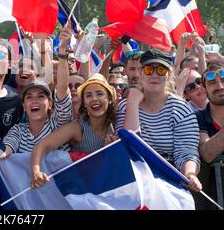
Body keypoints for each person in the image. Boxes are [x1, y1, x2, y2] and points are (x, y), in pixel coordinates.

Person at [117, 49, 202, 192]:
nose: (155, 75)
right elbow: (128, 147)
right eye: (149, 69)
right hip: (133, 179)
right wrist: (132, 102)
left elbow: (187, 152)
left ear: (168, 75)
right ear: (141, 73)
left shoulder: (181, 109)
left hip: (169, 180)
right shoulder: (125, 106)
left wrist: (190, 174)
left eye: (161, 70)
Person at [30, 73, 117, 188]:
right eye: (89, 95)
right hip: (83, 190)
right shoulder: (77, 128)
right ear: (84, 103)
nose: (94, 99)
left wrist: (109, 151)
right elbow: (42, 145)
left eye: (99, 93)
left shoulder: (117, 126)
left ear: (109, 99)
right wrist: (35, 171)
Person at [1, 23, 72, 156]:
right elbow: (6, 150)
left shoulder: (59, 124)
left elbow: (61, 89)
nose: (34, 101)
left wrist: (62, 50)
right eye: (29, 97)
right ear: (23, 105)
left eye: (40, 96)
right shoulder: (18, 131)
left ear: (50, 103)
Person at [197, 63, 224, 163]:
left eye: (223, 80)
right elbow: (207, 154)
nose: (220, 86)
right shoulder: (197, 118)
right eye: (212, 82)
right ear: (204, 90)